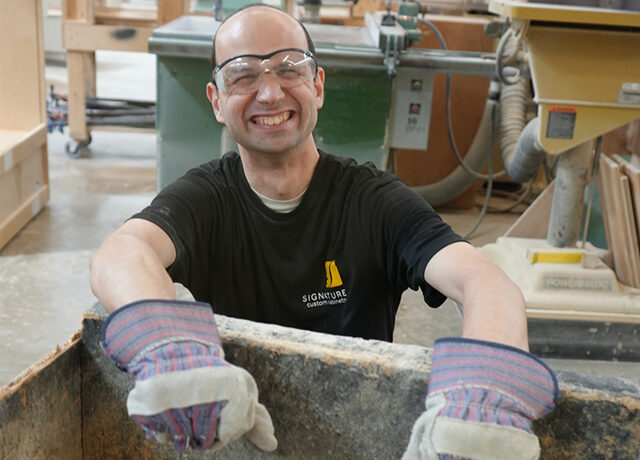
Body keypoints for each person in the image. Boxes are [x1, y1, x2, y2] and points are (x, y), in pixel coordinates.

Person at [90, 4, 558, 458]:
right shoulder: (205, 198)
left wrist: (483, 396)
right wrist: (168, 349)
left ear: (317, 86)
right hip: (234, 437)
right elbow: (123, 253)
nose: (269, 93)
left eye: (288, 69)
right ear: (216, 100)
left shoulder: (372, 200)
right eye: (243, 75)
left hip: (359, 433)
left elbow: (484, 281)